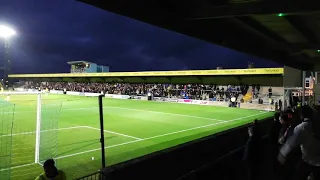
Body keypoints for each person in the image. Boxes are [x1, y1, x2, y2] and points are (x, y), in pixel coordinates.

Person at [278, 105, 320, 180]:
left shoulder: (301, 128)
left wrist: (281, 157)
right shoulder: (312, 125)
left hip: (309, 161)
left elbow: (290, 145)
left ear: (301, 115)